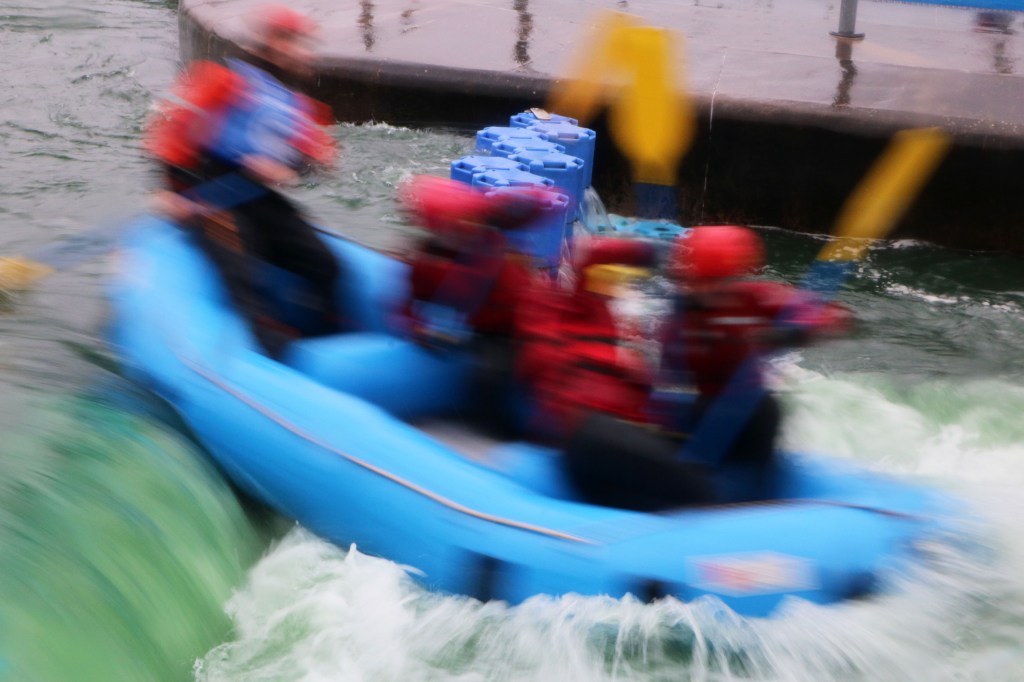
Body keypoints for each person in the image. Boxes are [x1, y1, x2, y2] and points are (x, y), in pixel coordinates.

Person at [144, 4, 345, 357]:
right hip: (208, 194)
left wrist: (304, 165)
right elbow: (169, 132)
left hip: (257, 197)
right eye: (290, 42)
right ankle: (268, 346)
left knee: (323, 263)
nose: (300, 52)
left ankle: (326, 330)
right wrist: (168, 189)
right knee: (243, 268)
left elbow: (308, 158)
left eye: (301, 43)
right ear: (268, 44)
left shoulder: (299, 105)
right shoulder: (223, 78)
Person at [657, 225, 851, 500]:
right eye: (698, 281)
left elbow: (833, 316)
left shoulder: (754, 297)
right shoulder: (677, 319)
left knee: (759, 421)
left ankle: (755, 500)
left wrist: (792, 332)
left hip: (752, 410)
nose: (706, 290)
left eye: (716, 281)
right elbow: (667, 377)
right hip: (705, 410)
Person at [398, 175, 555, 434]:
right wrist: (417, 330)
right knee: (489, 375)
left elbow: (540, 203)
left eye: (463, 221)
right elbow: (408, 302)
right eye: (449, 227)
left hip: (527, 319)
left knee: (531, 363)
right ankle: (493, 432)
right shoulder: (427, 264)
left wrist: (490, 204)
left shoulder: (487, 231)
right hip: (492, 333)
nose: (459, 230)